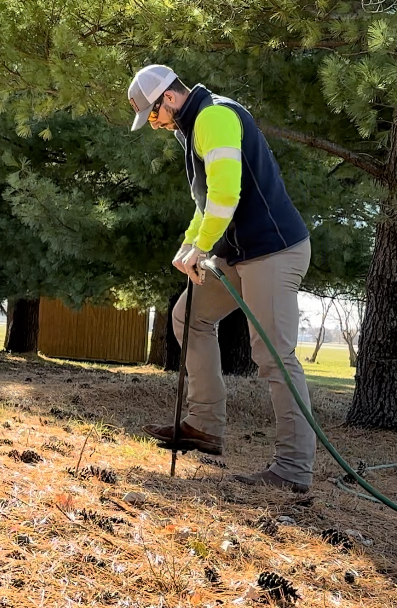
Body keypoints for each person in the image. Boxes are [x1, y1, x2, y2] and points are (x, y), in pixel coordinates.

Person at [128, 64, 317, 493]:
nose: (156, 125)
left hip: (274, 250)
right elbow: (207, 199)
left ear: (169, 99)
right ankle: (205, 425)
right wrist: (190, 244)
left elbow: (227, 194)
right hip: (239, 252)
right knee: (187, 316)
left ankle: (292, 469)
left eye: (154, 116)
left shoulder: (213, 117)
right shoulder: (194, 124)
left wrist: (202, 247)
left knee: (273, 355)